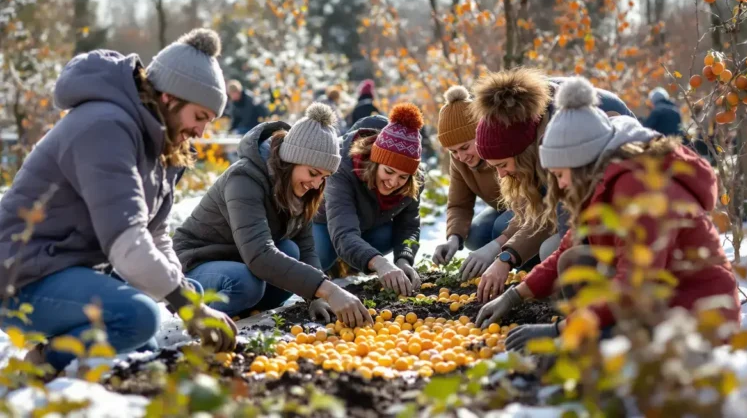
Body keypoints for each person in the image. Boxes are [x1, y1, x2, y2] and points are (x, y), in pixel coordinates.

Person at [0, 29, 238, 373]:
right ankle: (41, 364)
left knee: (152, 334)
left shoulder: (163, 143)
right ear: (169, 98)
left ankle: (63, 346)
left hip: (71, 271)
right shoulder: (105, 126)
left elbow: (155, 235)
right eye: (199, 117)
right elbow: (127, 241)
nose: (201, 133)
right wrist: (190, 308)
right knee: (137, 317)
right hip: (22, 278)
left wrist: (185, 294)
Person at [476, 77, 740, 350]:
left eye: (559, 175)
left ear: (580, 163)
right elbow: (569, 245)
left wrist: (560, 330)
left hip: (695, 314)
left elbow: (634, 285)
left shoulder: (637, 189)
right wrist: (515, 295)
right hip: (655, 299)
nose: (560, 184)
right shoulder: (600, 181)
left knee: (576, 355)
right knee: (574, 259)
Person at [172, 104, 373, 328]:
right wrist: (330, 290)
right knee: (246, 283)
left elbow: (305, 247)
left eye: (324, 177)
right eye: (313, 173)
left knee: (291, 250)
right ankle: (201, 320)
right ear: (291, 160)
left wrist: (315, 297)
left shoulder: (302, 189)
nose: (317, 184)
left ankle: (243, 311)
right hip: (197, 264)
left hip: (238, 258)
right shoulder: (244, 179)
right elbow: (259, 254)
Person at [468, 68, 636, 304]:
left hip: (617, 202)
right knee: (507, 231)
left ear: (524, 152)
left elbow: (564, 219)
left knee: (554, 250)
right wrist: (506, 256)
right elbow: (535, 210)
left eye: (503, 164)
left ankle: (582, 298)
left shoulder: (565, 135)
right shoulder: (526, 126)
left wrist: (507, 261)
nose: (501, 173)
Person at [432, 85, 548, 281]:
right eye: (453, 151)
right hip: (505, 207)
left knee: (500, 227)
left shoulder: (505, 149)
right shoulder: (460, 160)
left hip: (530, 205)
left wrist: (499, 248)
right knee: (475, 235)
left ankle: (527, 268)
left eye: (465, 147)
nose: (461, 156)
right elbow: (459, 204)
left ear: (480, 133)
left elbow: (532, 205)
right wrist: (453, 238)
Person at [314, 104, 424, 296]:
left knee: (387, 236)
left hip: (369, 225)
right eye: (388, 172)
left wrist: (403, 260)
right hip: (328, 225)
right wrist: (380, 263)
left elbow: (409, 226)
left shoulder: (415, 181)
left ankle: (352, 260)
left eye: (403, 177)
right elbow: (343, 232)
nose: (393, 182)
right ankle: (338, 262)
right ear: (375, 162)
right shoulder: (342, 167)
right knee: (321, 254)